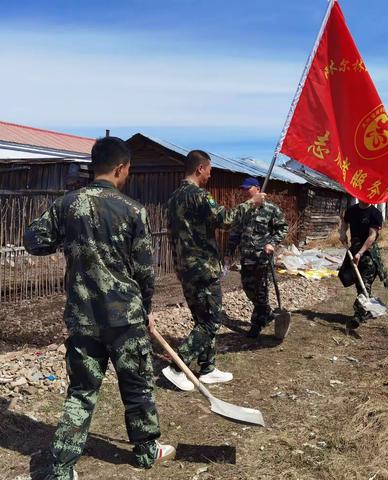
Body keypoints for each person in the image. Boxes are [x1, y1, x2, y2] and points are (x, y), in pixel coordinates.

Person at [24, 137, 174, 479]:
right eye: (129, 170)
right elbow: (145, 272)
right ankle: (146, 452)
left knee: (81, 392)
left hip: (83, 319)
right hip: (125, 319)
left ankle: (62, 468)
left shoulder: (67, 205)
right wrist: (145, 309)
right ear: (121, 168)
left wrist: (69, 238)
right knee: (137, 387)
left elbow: (33, 240)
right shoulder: (133, 210)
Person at [162, 150, 265, 392]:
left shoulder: (174, 197)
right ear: (200, 169)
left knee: (202, 318)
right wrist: (251, 203)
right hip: (202, 268)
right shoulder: (198, 196)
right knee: (211, 320)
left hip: (185, 268)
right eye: (209, 170)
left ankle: (207, 368)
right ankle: (178, 366)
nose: (210, 175)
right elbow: (226, 219)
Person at [224, 177, 289, 338]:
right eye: (244, 188)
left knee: (260, 291)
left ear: (258, 189)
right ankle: (266, 312)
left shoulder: (271, 209)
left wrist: (272, 243)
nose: (245, 191)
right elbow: (235, 233)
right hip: (246, 258)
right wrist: (228, 253)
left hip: (262, 258)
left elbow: (282, 228)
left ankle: (256, 324)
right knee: (248, 289)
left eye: (248, 188)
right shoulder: (244, 210)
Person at [339, 200, 388, 331]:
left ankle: (358, 316)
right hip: (354, 250)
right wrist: (342, 233)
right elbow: (344, 222)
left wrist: (360, 253)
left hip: (368, 254)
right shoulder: (351, 210)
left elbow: (372, 236)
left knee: (365, 283)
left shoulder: (375, 213)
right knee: (356, 281)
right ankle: (366, 310)